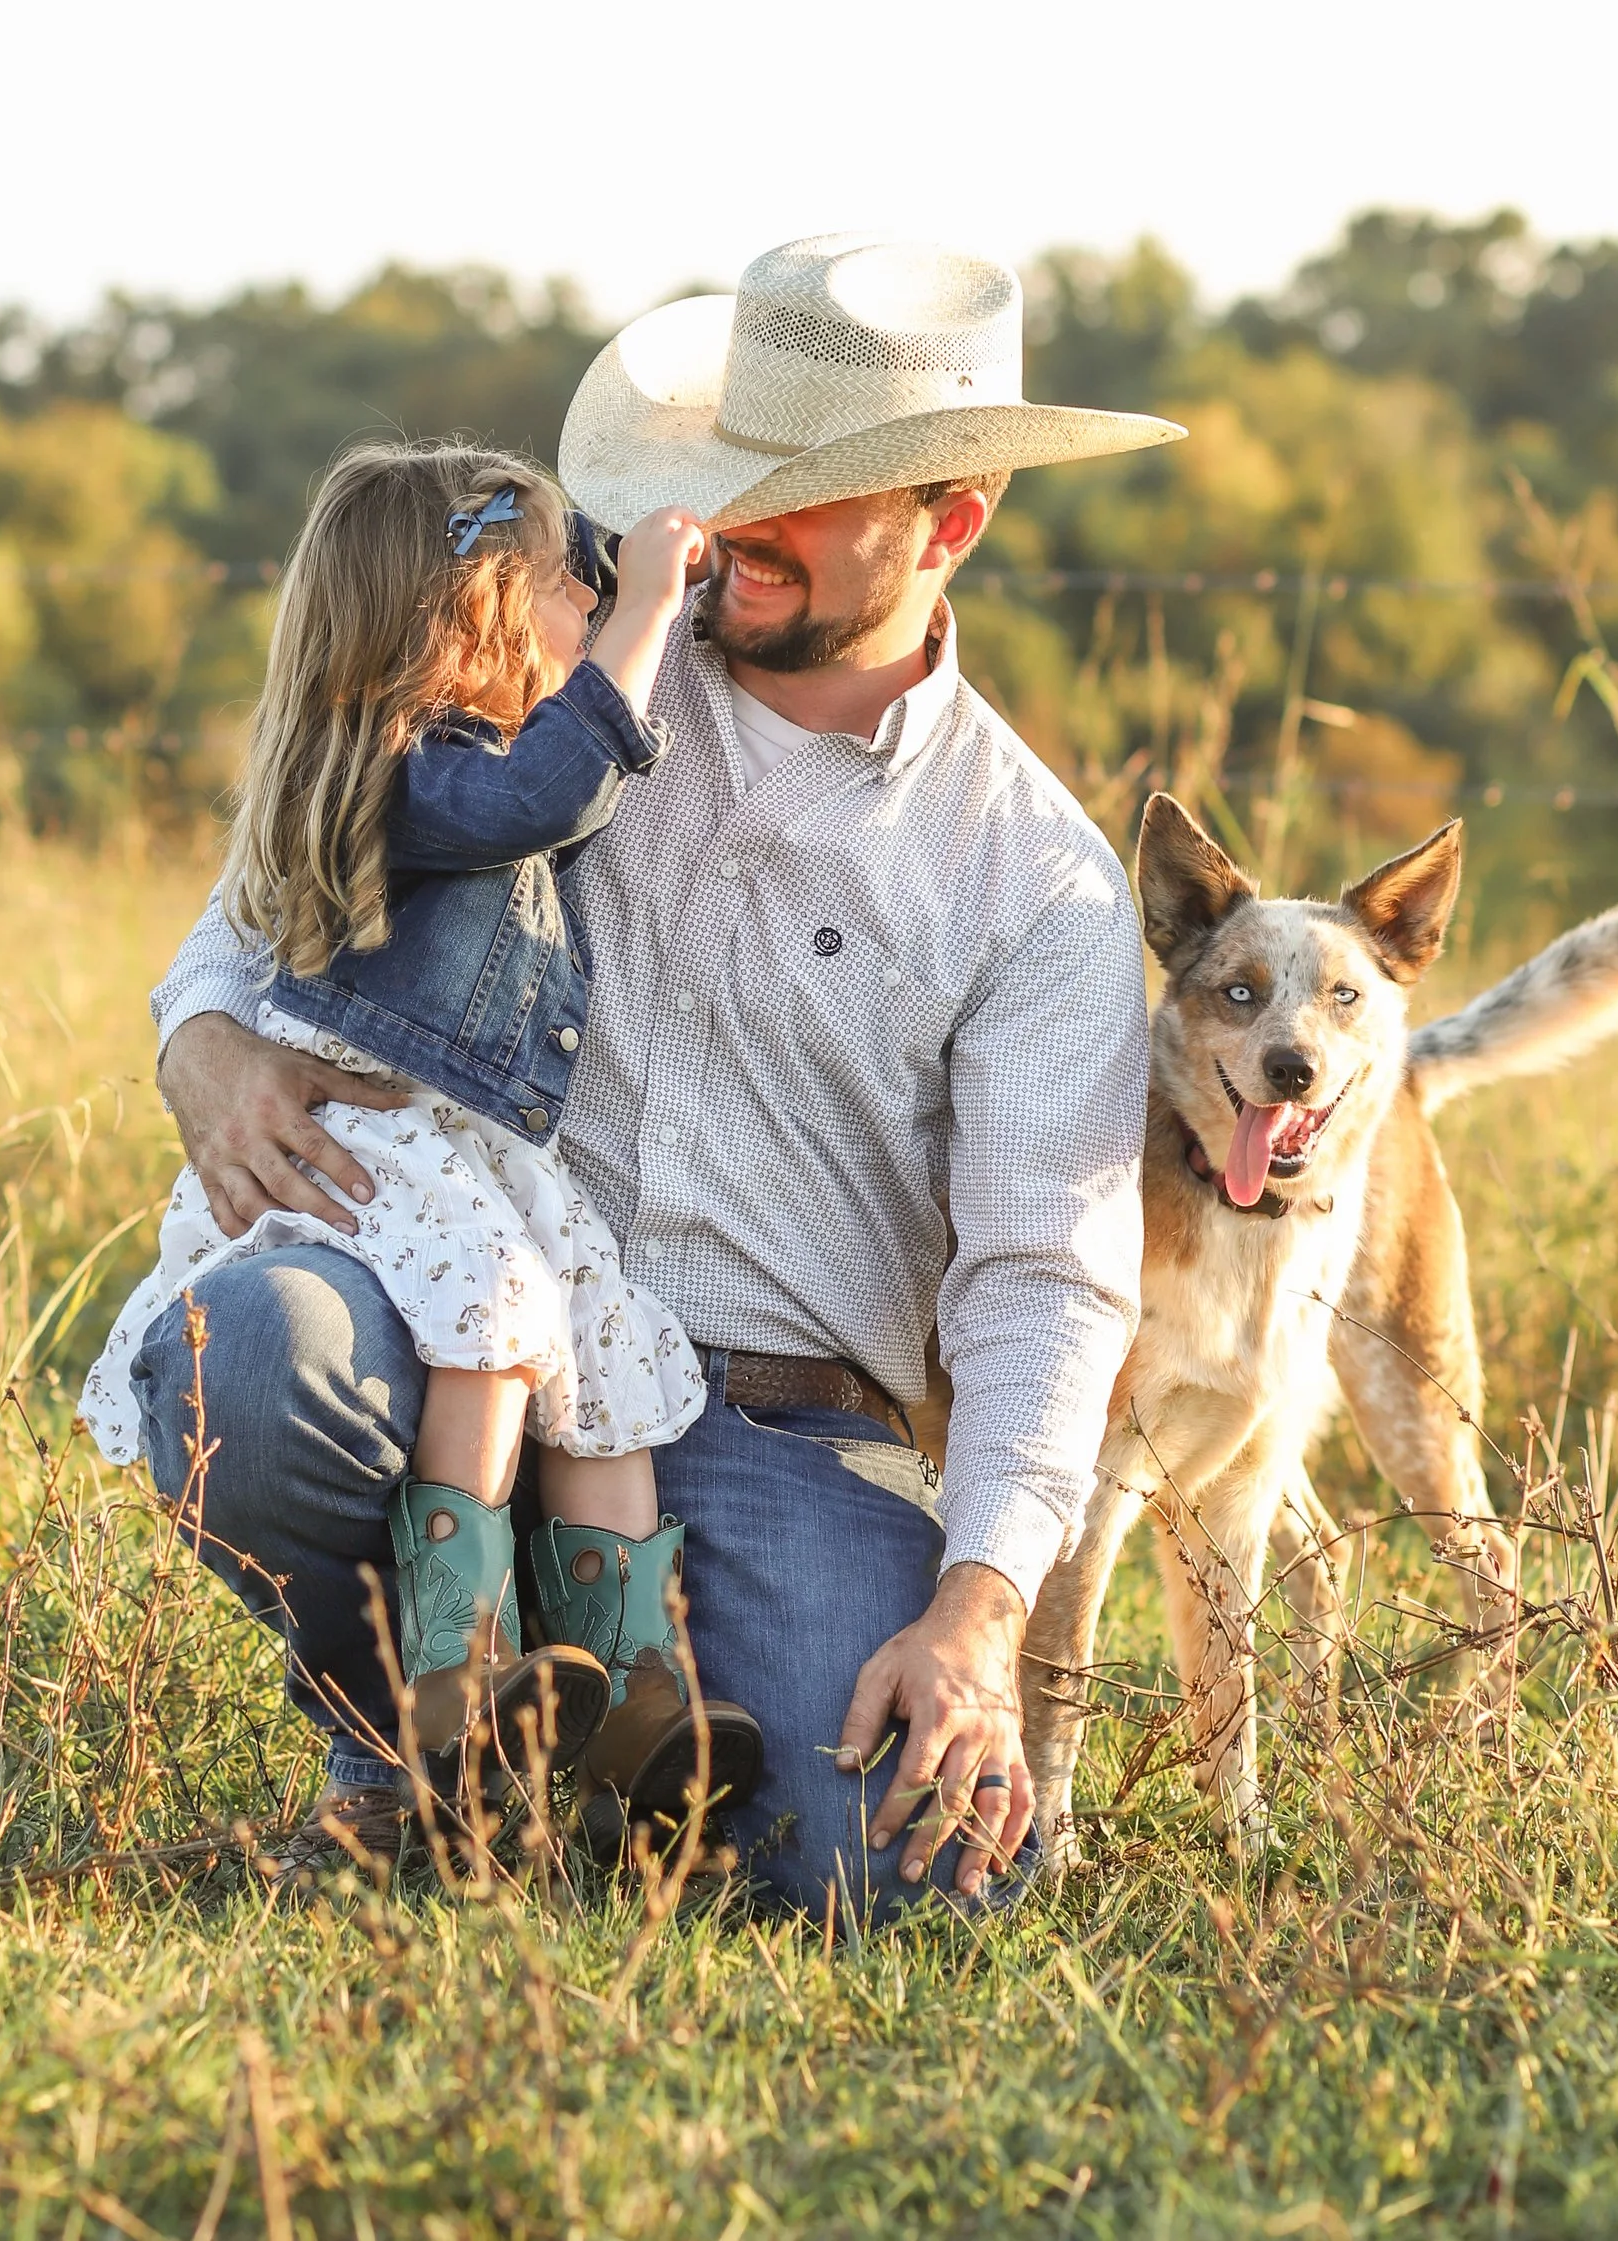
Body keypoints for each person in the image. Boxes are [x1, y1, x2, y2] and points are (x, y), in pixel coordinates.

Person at [129, 235, 1183, 1919]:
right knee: (252, 1359)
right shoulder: (576, 650)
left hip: (765, 1431)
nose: (738, 518)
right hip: (446, 1332)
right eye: (736, 466)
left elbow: (1048, 1287)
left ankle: (596, 1752)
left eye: (809, 493)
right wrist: (205, 1042)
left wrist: (974, 1616)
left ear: (950, 521)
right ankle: (415, 1762)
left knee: (912, 1876)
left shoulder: (1037, 881)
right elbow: (300, 853)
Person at [82, 436, 761, 1848]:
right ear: (473, 631)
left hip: (476, 1156)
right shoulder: (425, 772)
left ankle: (637, 1687)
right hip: (387, 1148)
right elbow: (559, 788)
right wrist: (645, 610)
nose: (602, 593)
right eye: (572, 578)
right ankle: (451, 1671)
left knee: (605, 1349)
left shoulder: (448, 756)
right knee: (501, 1317)